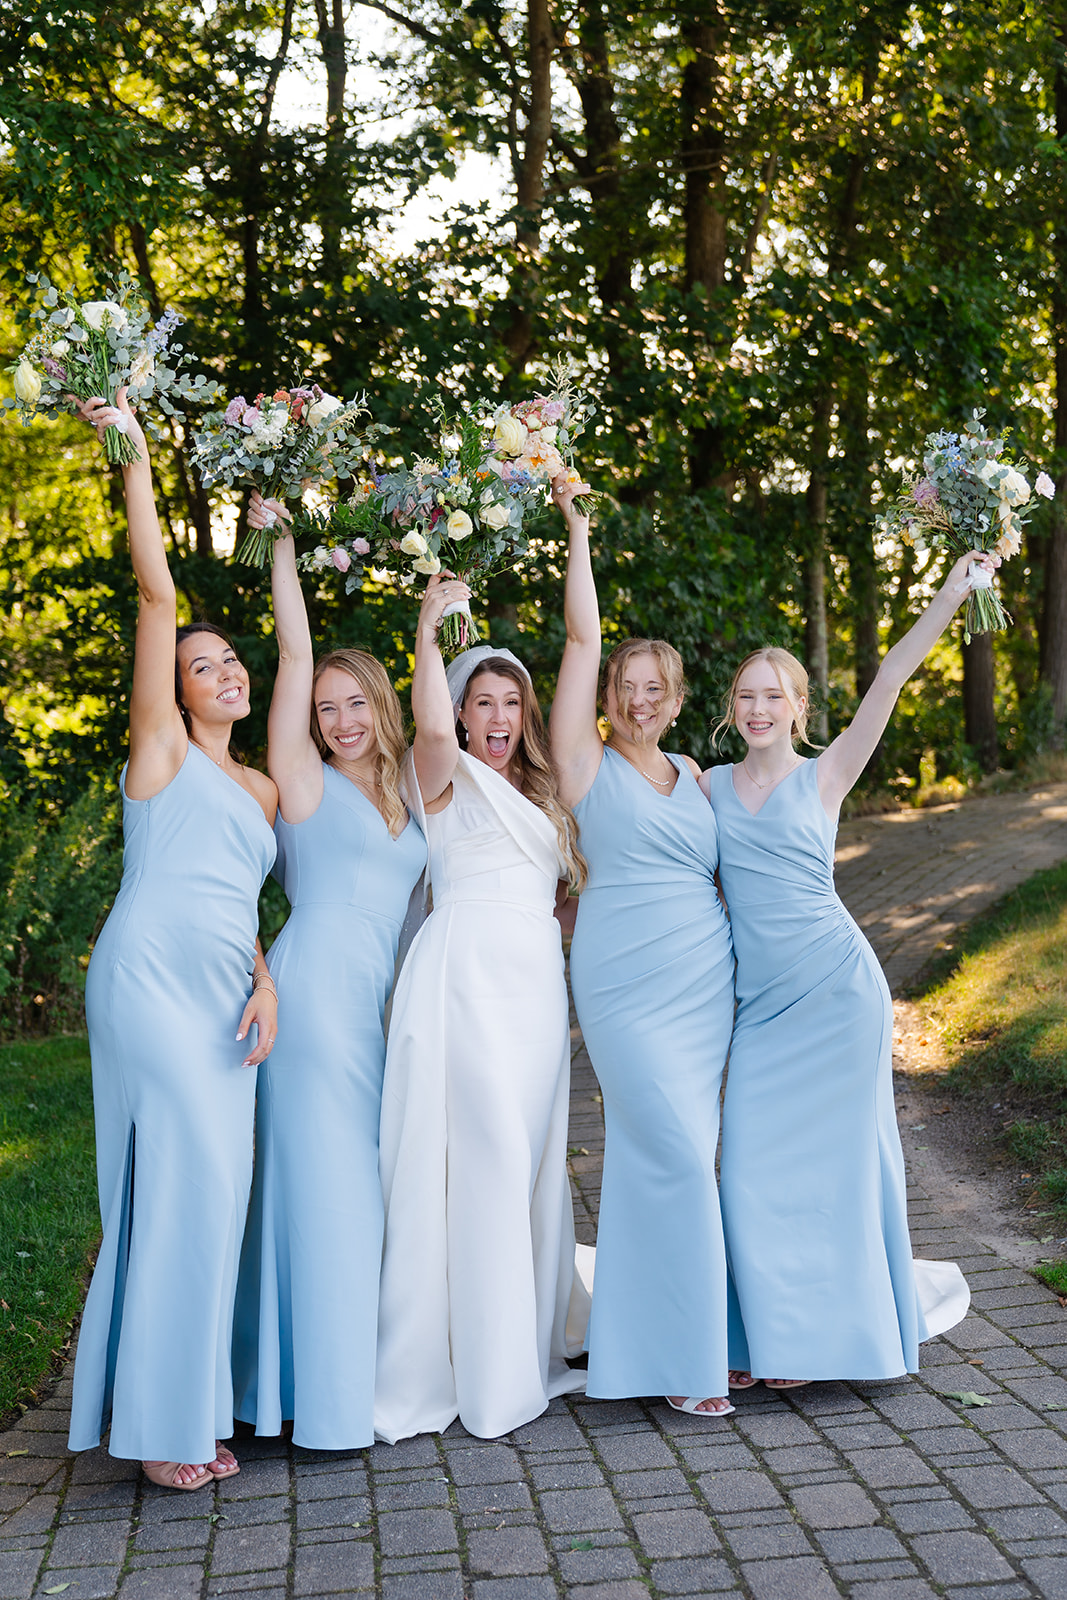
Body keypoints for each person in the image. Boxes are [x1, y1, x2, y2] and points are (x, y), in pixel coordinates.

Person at [702, 553, 985, 1389]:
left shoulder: (823, 774)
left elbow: (892, 676)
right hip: (759, 1007)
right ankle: (758, 1337)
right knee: (749, 1164)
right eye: (745, 695)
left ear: (798, 707)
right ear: (731, 708)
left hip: (835, 990)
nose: (758, 708)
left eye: (773, 695)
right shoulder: (703, 784)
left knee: (836, 1167)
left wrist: (953, 589)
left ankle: (813, 1344)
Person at [66, 393, 279, 1490]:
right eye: (201, 665)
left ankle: (181, 1404)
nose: (220, 671)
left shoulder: (262, 783)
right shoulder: (161, 754)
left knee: (214, 1198)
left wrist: (266, 982)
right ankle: (158, 1430)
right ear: (175, 688)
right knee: (176, 1185)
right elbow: (157, 595)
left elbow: (250, 913)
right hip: (147, 983)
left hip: (223, 995)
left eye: (230, 660)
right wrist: (137, 455)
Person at [373, 575, 590, 1442]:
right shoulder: (441, 772)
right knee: (483, 1154)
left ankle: (523, 1334)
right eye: (481, 702)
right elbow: (422, 723)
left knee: (529, 1156)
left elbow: (566, 895)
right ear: (460, 712)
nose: (496, 717)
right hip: (459, 980)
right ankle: (479, 1367)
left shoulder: (544, 795)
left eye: (510, 703)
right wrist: (426, 628)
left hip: (535, 989)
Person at [231, 495, 427, 1449]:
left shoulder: (411, 790)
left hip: (380, 1013)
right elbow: (296, 657)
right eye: (325, 711)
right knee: (326, 1188)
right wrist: (282, 544)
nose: (340, 720)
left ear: (379, 706)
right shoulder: (299, 780)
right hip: (308, 1007)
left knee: (363, 1190)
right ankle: (316, 1401)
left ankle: (314, 1380)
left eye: (355, 705)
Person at [548, 475, 736, 1418]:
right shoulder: (582, 765)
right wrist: (578, 528)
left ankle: (639, 1344)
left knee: (671, 1154)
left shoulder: (699, 775)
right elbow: (581, 638)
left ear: (674, 700)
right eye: (625, 688)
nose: (637, 700)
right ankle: (690, 1362)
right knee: (667, 1146)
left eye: (653, 690)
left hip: (706, 981)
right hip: (621, 980)